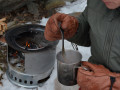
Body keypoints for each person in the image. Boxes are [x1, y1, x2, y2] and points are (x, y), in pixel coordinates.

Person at [44, 0, 120, 87]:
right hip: (90, 81)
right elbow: (91, 30)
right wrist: (73, 28)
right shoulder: (96, 2)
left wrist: (114, 84)